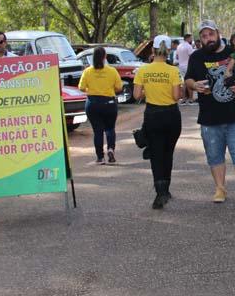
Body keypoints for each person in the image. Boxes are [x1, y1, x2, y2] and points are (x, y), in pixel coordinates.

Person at [185, 20, 235, 205]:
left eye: (210, 34)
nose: (208, 38)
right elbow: (188, 80)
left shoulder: (233, 51)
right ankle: (220, 188)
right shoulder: (196, 57)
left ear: (218, 34)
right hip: (210, 118)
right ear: (200, 39)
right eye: (203, 36)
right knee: (214, 154)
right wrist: (194, 85)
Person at [134, 35, 183, 209]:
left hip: (153, 115)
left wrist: (149, 91)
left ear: (153, 50)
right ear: (169, 51)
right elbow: (177, 96)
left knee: (156, 154)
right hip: (171, 116)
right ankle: (166, 189)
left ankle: (160, 191)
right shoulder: (173, 71)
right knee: (168, 153)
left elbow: (136, 95)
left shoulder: (143, 70)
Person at [78, 46, 123, 164]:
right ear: (105, 57)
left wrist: (92, 88)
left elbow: (81, 87)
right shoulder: (112, 71)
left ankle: (100, 157)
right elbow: (119, 87)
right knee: (110, 128)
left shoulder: (87, 71)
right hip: (109, 103)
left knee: (97, 131)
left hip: (93, 104)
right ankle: (111, 149)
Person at [175, 34, 196, 104]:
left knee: (183, 83)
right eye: (191, 38)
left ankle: (183, 98)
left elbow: (177, 57)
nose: (191, 40)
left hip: (181, 66)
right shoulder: (189, 46)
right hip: (188, 66)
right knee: (190, 81)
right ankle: (190, 98)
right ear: (187, 38)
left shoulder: (179, 46)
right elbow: (192, 57)